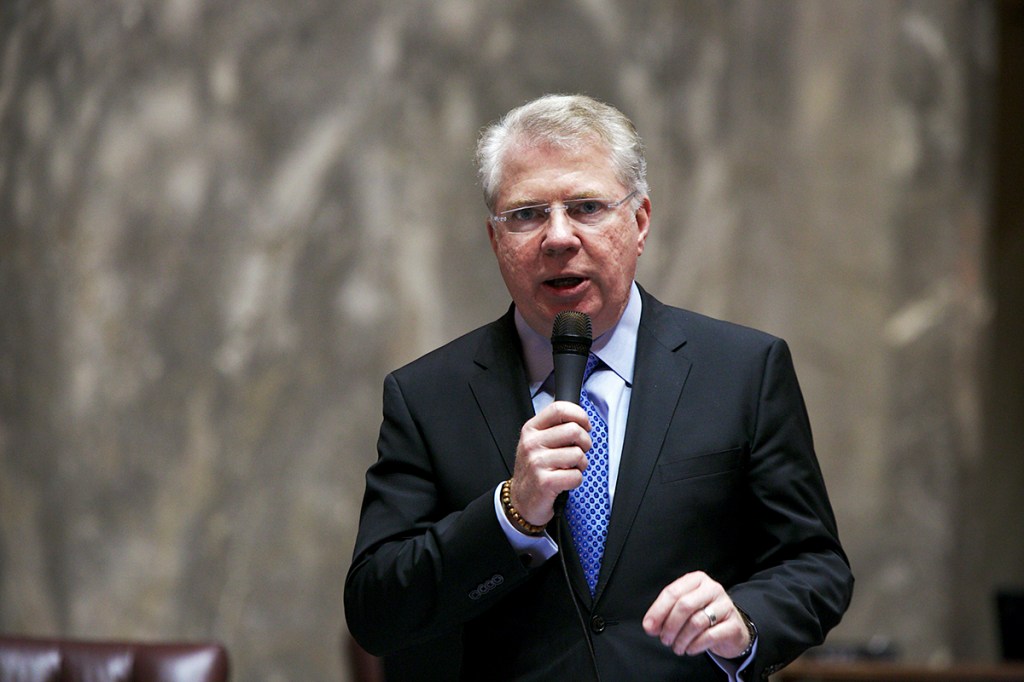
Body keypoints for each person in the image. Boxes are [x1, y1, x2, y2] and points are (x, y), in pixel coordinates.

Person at [344, 94, 853, 681]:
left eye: (586, 206)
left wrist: (745, 619)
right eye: (527, 214)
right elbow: (376, 611)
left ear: (639, 222)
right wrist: (512, 514)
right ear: (494, 240)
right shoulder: (429, 396)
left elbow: (815, 565)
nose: (558, 237)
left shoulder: (742, 370)